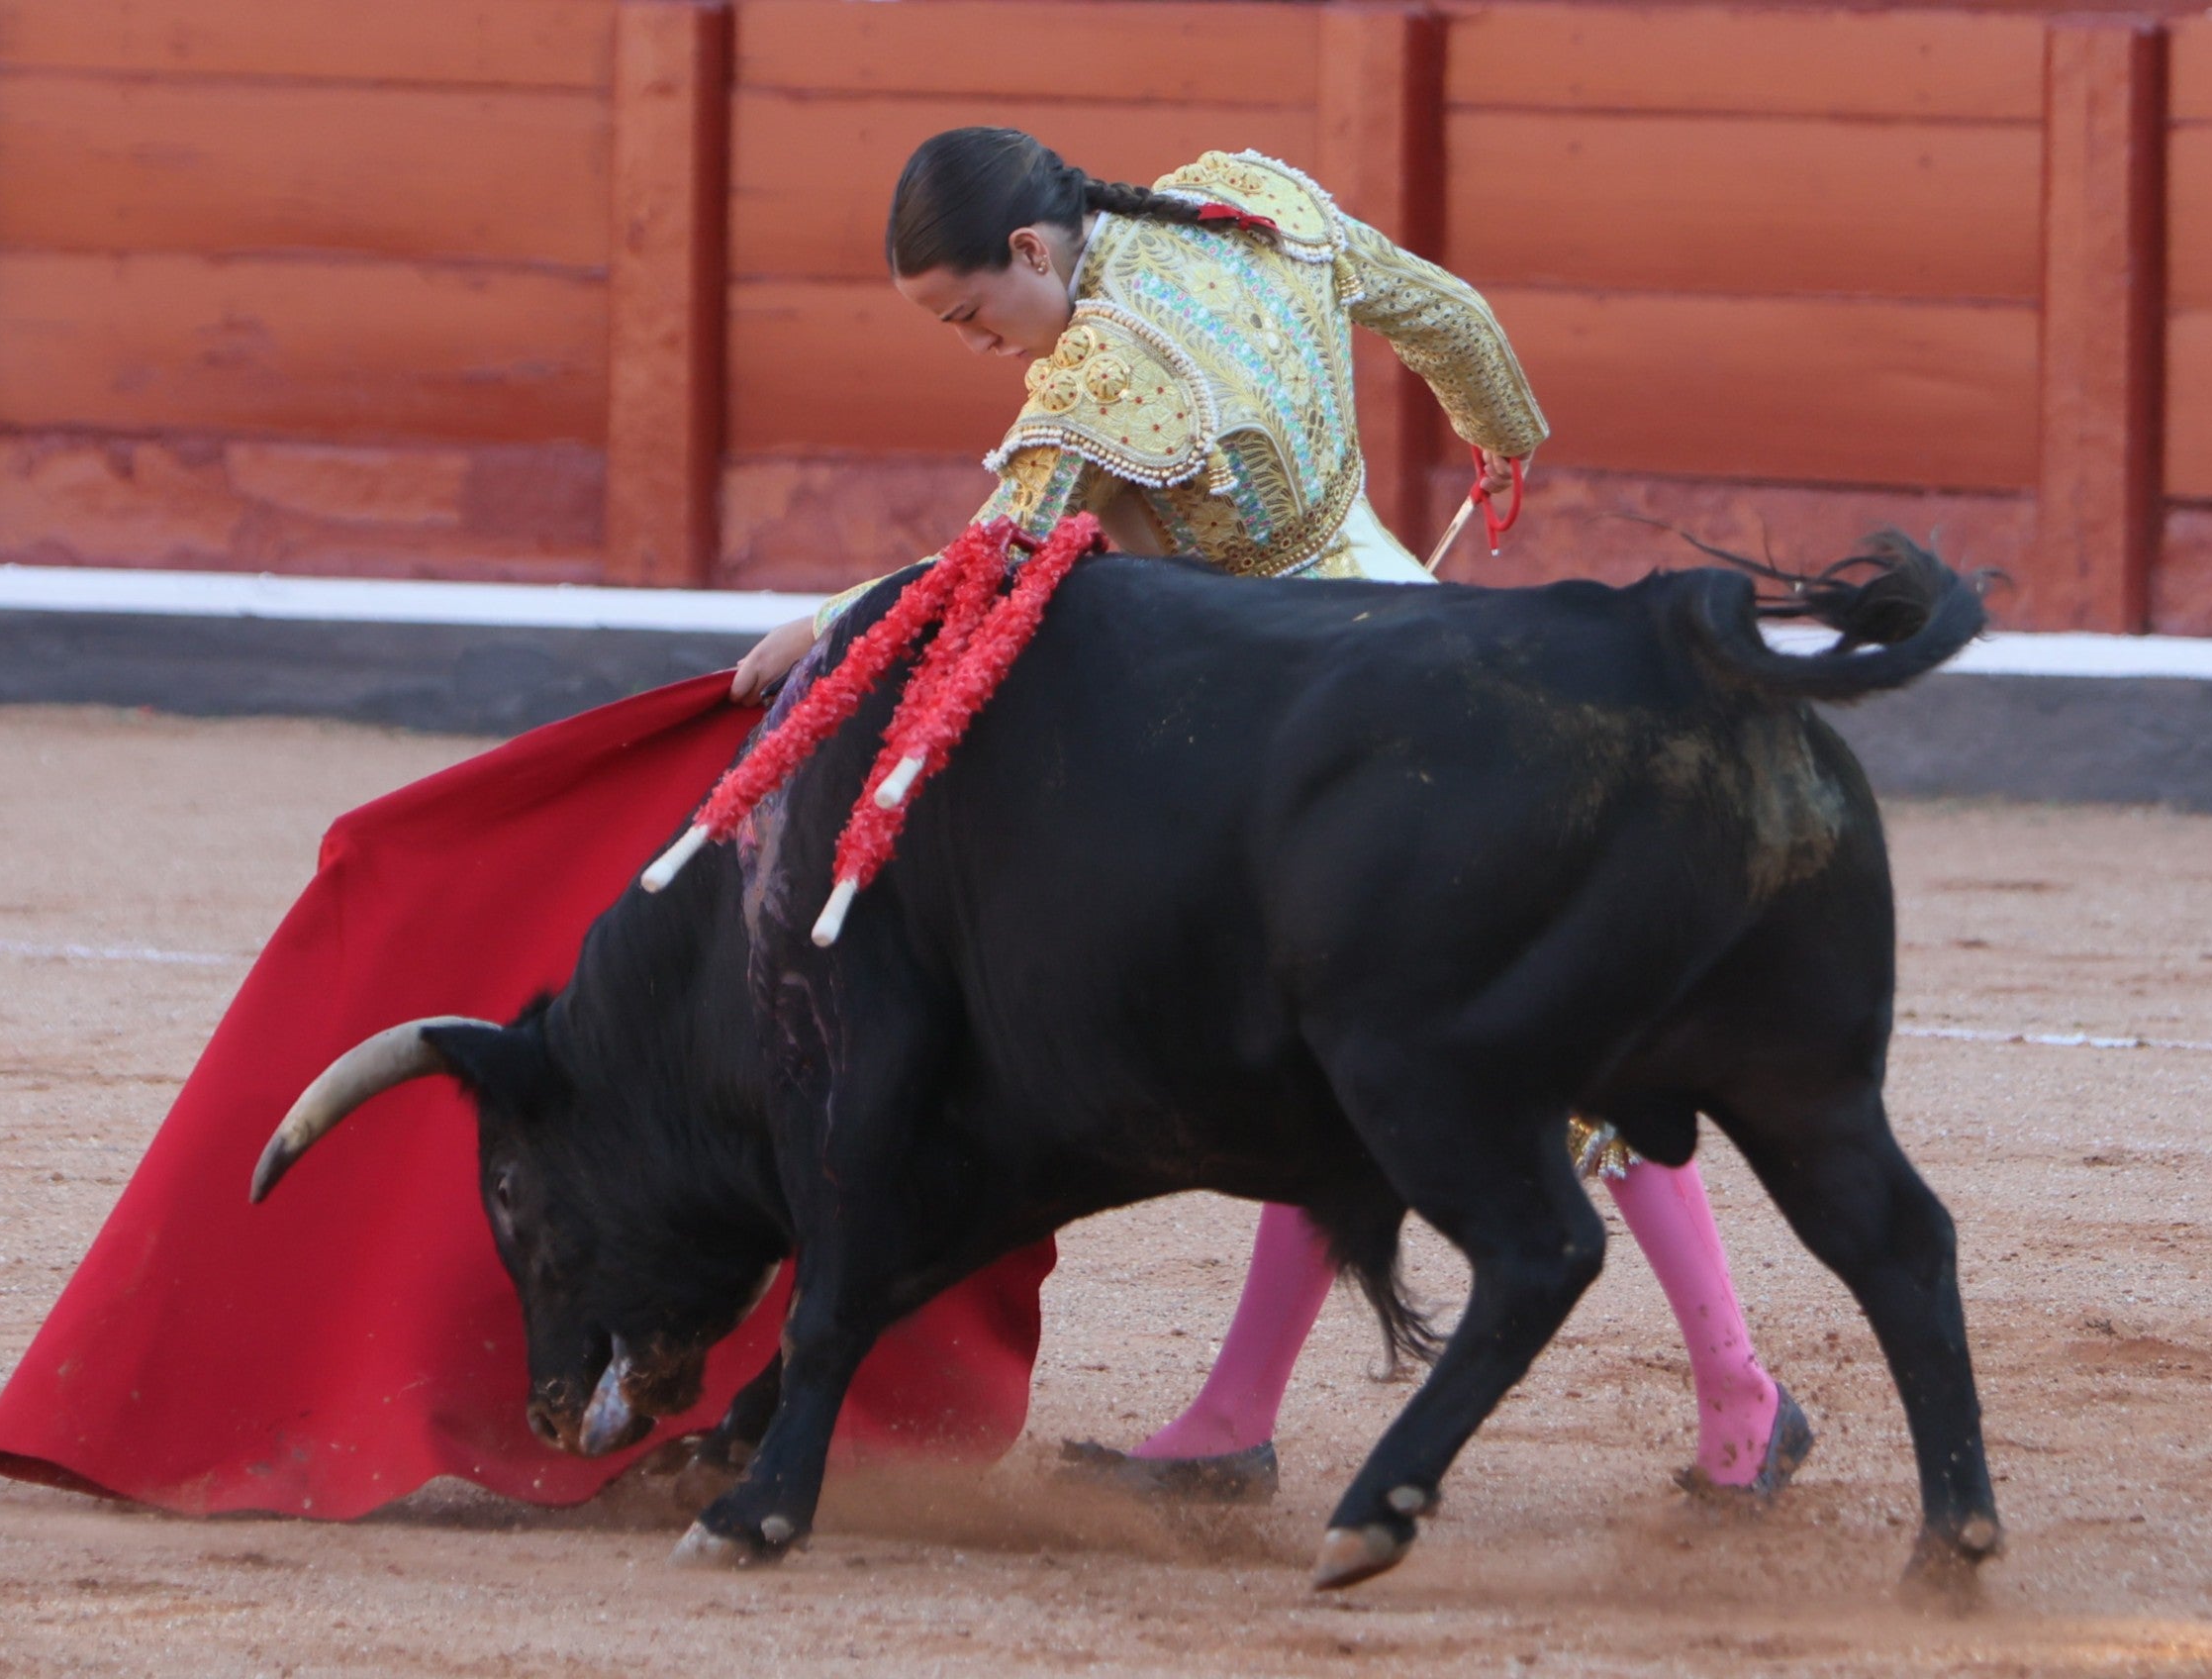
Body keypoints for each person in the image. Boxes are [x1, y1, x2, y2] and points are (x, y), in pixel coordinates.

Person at [731, 128, 1809, 1505]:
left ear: (1029, 251)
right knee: (1339, 1050)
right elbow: (1449, 317)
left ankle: (1743, 1394)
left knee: (1551, 1073)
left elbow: (987, 566)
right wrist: (1503, 439)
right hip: (1413, 646)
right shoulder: (1244, 211)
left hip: (1308, 722)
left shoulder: (1105, 376)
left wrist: (819, 628)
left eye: (970, 316)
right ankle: (1237, 1413)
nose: (975, 347)